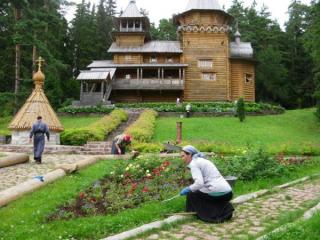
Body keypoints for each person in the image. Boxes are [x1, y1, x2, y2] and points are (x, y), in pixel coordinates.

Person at [179, 145, 234, 223]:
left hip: (219, 193)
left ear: (190, 155)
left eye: (183, 156)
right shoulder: (201, 160)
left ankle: (202, 214)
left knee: (192, 194)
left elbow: (199, 183)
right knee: (198, 192)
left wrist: (188, 189)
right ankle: (225, 209)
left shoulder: (194, 164)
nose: (182, 159)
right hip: (228, 192)